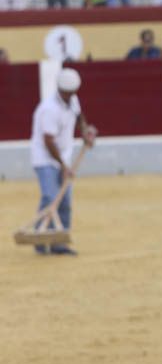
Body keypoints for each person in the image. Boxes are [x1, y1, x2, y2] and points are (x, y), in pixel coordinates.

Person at [30, 68, 97, 256]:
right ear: (59, 89)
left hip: (63, 158)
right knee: (50, 197)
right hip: (45, 159)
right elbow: (48, 141)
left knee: (65, 201)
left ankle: (59, 242)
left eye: (72, 92)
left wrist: (85, 131)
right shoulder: (49, 109)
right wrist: (63, 166)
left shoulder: (73, 100)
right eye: (66, 92)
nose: (69, 95)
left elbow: (78, 115)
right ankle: (39, 238)